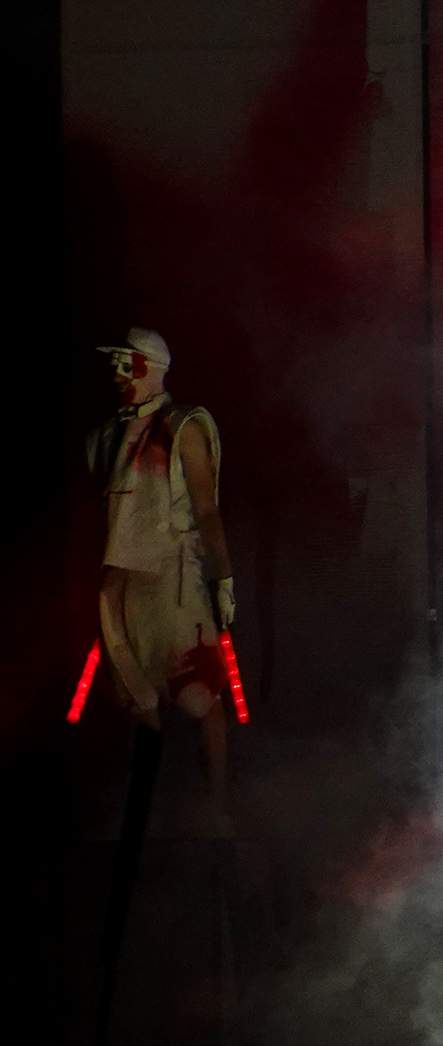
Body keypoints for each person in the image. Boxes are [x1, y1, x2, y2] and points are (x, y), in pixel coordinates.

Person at [85, 327, 234, 816]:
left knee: (200, 697)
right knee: (138, 703)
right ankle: (147, 814)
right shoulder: (106, 437)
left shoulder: (181, 426)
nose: (117, 374)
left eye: (126, 363)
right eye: (114, 364)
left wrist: (223, 579)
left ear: (152, 367)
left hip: (173, 583)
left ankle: (216, 807)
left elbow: (206, 510)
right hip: (119, 589)